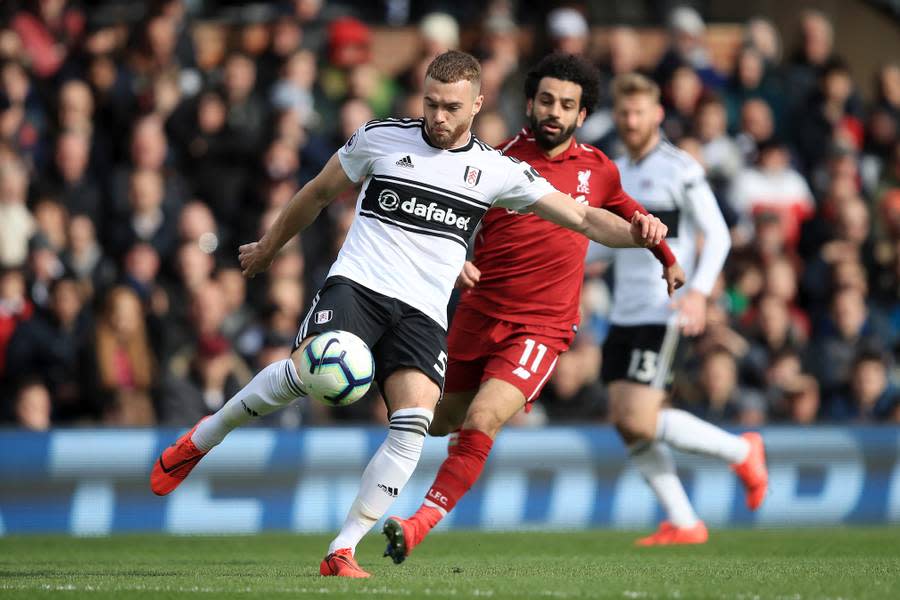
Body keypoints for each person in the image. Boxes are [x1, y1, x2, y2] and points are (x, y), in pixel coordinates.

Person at [148, 50, 669, 578]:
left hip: (422, 314)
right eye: (430, 103)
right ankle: (202, 439)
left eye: (450, 108)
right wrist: (269, 246)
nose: (438, 117)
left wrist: (640, 235)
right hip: (357, 288)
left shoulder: (495, 170)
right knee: (314, 372)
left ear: (477, 106)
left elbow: (581, 216)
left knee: (414, 424)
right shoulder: (380, 137)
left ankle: (342, 549)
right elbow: (318, 192)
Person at [380, 53, 684, 565]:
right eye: (546, 100)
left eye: (567, 104)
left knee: (482, 419)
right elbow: (445, 220)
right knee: (429, 421)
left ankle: (417, 525)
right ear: (529, 103)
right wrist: (454, 260)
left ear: (582, 115)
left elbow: (624, 216)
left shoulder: (598, 169)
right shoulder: (492, 163)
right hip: (479, 316)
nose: (554, 111)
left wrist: (663, 252)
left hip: (541, 329)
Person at [600, 73, 767, 545]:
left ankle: (741, 450)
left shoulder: (681, 168)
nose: (631, 121)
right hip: (623, 312)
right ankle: (684, 521)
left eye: (640, 113)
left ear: (656, 115)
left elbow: (718, 233)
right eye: (625, 113)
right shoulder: (613, 173)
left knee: (638, 417)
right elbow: (602, 245)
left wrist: (699, 291)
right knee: (625, 421)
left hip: (665, 307)